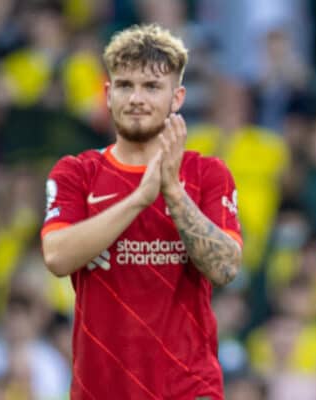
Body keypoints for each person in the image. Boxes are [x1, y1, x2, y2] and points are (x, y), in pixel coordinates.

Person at [41, 24, 242, 399]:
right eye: (125, 85)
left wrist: (173, 193)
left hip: (188, 389)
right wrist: (139, 199)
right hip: (101, 389)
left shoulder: (206, 174)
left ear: (177, 97)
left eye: (152, 87)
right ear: (107, 93)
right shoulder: (77, 173)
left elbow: (226, 268)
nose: (137, 98)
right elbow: (56, 257)